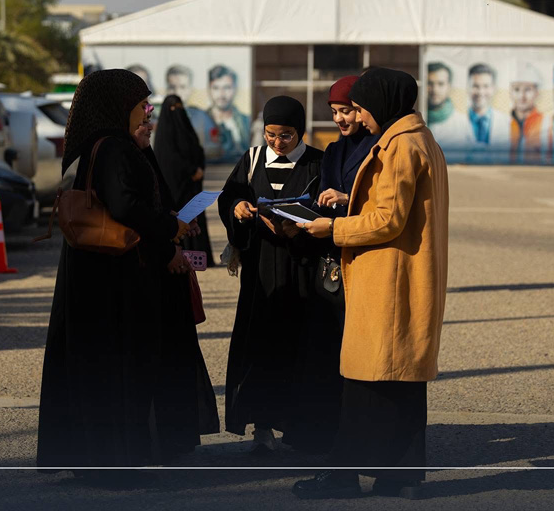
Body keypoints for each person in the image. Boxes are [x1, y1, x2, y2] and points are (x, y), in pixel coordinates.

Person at [292, 67, 449, 500]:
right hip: (406, 275)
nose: (358, 117)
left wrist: (333, 228)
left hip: (389, 277)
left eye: (360, 108)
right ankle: (401, 477)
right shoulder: (421, 139)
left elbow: (387, 219)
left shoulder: (399, 146)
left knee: (366, 381)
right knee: (402, 383)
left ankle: (343, 476)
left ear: (381, 103)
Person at [37, 69, 193, 482]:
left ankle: (100, 460)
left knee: (98, 368)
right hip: (114, 278)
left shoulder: (99, 145)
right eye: (141, 104)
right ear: (117, 105)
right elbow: (125, 206)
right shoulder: (113, 149)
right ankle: (113, 465)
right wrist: (169, 228)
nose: (148, 111)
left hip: (96, 275)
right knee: (117, 368)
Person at [217, 95, 323, 453]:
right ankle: (261, 428)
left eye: (286, 135)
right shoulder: (251, 159)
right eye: (271, 134)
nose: (278, 142)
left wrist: (300, 229)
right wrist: (238, 207)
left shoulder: (317, 163)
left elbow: (328, 212)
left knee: (300, 346)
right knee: (260, 345)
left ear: (300, 131)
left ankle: (301, 430)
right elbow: (229, 197)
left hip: (301, 270)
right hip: (260, 269)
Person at [285, 75, 380, 454]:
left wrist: (345, 198)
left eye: (347, 111)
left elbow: (379, 204)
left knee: (354, 352)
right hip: (329, 263)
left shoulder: (379, 147)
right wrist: (296, 215)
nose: (340, 119)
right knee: (322, 349)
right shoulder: (335, 150)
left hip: (360, 259)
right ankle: (320, 436)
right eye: (335, 112)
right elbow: (320, 195)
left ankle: (355, 439)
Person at [136, 104, 221, 458]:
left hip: (168, 256)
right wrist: (167, 244)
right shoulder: (118, 155)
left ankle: (174, 436)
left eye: (150, 118)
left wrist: (175, 219)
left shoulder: (145, 153)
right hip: (148, 271)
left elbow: (155, 206)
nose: (150, 125)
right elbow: (133, 213)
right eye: (142, 120)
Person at [153, 94, 216, 267]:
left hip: (191, 186)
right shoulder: (164, 134)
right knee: (180, 218)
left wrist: (199, 168)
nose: (177, 112)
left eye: (180, 107)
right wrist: (190, 170)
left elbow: (197, 149)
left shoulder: (187, 129)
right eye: (174, 108)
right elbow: (170, 159)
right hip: (176, 187)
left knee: (195, 218)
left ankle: (200, 257)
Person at [165, 65, 222, 161]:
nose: (177, 92)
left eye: (182, 87)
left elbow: (214, 147)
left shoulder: (202, 117)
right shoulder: (158, 118)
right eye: (172, 87)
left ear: (190, 89)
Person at [203, 65, 250, 162]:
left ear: (235, 89)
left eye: (227, 88)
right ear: (209, 89)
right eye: (216, 88)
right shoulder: (200, 121)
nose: (221, 94)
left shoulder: (246, 121)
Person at [465, 63, 511, 161]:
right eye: (475, 86)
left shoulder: (508, 123)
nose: (480, 92)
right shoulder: (456, 122)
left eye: (486, 86)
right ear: (468, 88)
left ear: (493, 88)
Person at [426, 62, 471, 150]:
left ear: (449, 87)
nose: (435, 90)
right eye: (430, 83)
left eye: (441, 84)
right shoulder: (414, 119)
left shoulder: (462, 124)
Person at [509, 62, 544, 163]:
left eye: (528, 90)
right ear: (510, 92)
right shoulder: (503, 122)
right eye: (517, 90)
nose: (522, 96)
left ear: (537, 93)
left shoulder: (546, 123)